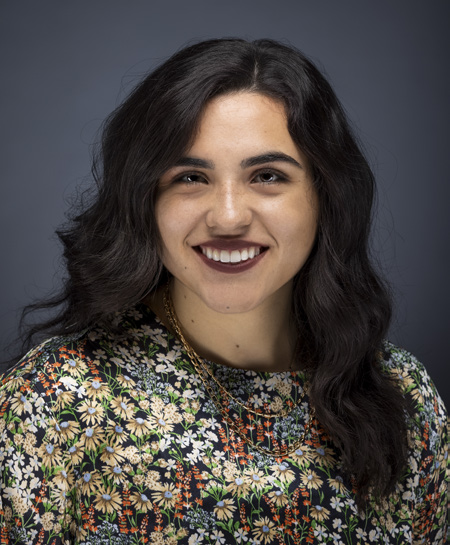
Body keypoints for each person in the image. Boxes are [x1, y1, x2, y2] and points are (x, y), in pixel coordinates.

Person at [0, 38, 447, 545]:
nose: (228, 217)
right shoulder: (55, 401)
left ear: (327, 196)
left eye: (267, 176)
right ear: (144, 201)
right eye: (191, 177)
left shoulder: (404, 397)